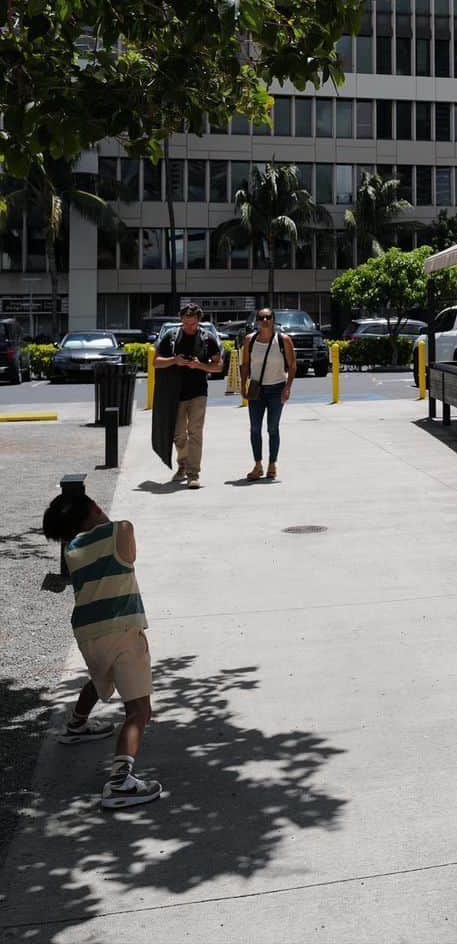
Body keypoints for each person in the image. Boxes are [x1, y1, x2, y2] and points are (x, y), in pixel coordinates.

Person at [41, 489, 162, 809]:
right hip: (122, 628)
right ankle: (121, 781)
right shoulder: (121, 530)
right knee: (138, 711)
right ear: (95, 506)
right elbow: (127, 551)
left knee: (99, 678)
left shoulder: (72, 549)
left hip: (87, 633)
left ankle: (76, 725)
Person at [153, 303, 222, 489]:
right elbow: (156, 362)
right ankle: (182, 463)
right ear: (181, 321)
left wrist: (200, 366)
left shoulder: (208, 339)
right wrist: (175, 360)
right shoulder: (171, 337)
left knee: (195, 433)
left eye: (193, 324)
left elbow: (219, 366)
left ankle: (193, 473)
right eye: (186, 323)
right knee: (178, 435)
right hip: (175, 394)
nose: (189, 327)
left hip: (198, 392)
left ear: (199, 321)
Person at [241, 308, 296, 481]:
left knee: (272, 428)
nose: (264, 320)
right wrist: (243, 385)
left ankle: (272, 464)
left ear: (273, 319)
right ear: (256, 321)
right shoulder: (250, 340)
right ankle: (258, 465)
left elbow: (292, 364)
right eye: (261, 318)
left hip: (276, 389)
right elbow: (245, 364)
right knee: (255, 428)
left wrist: (287, 387)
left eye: (268, 317)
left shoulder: (283, 340)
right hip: (256, 390)